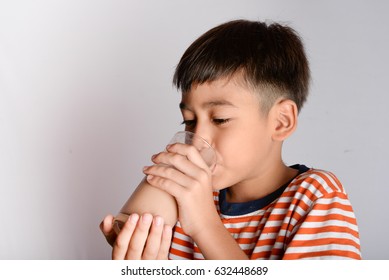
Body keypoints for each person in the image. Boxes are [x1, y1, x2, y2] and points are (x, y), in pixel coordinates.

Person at [100, 19, 361, 259]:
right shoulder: (186, 197)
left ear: (281, 121)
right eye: (189, 121)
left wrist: (205, 225)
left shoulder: (316, 197)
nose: (197, 138)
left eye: (220, 119)